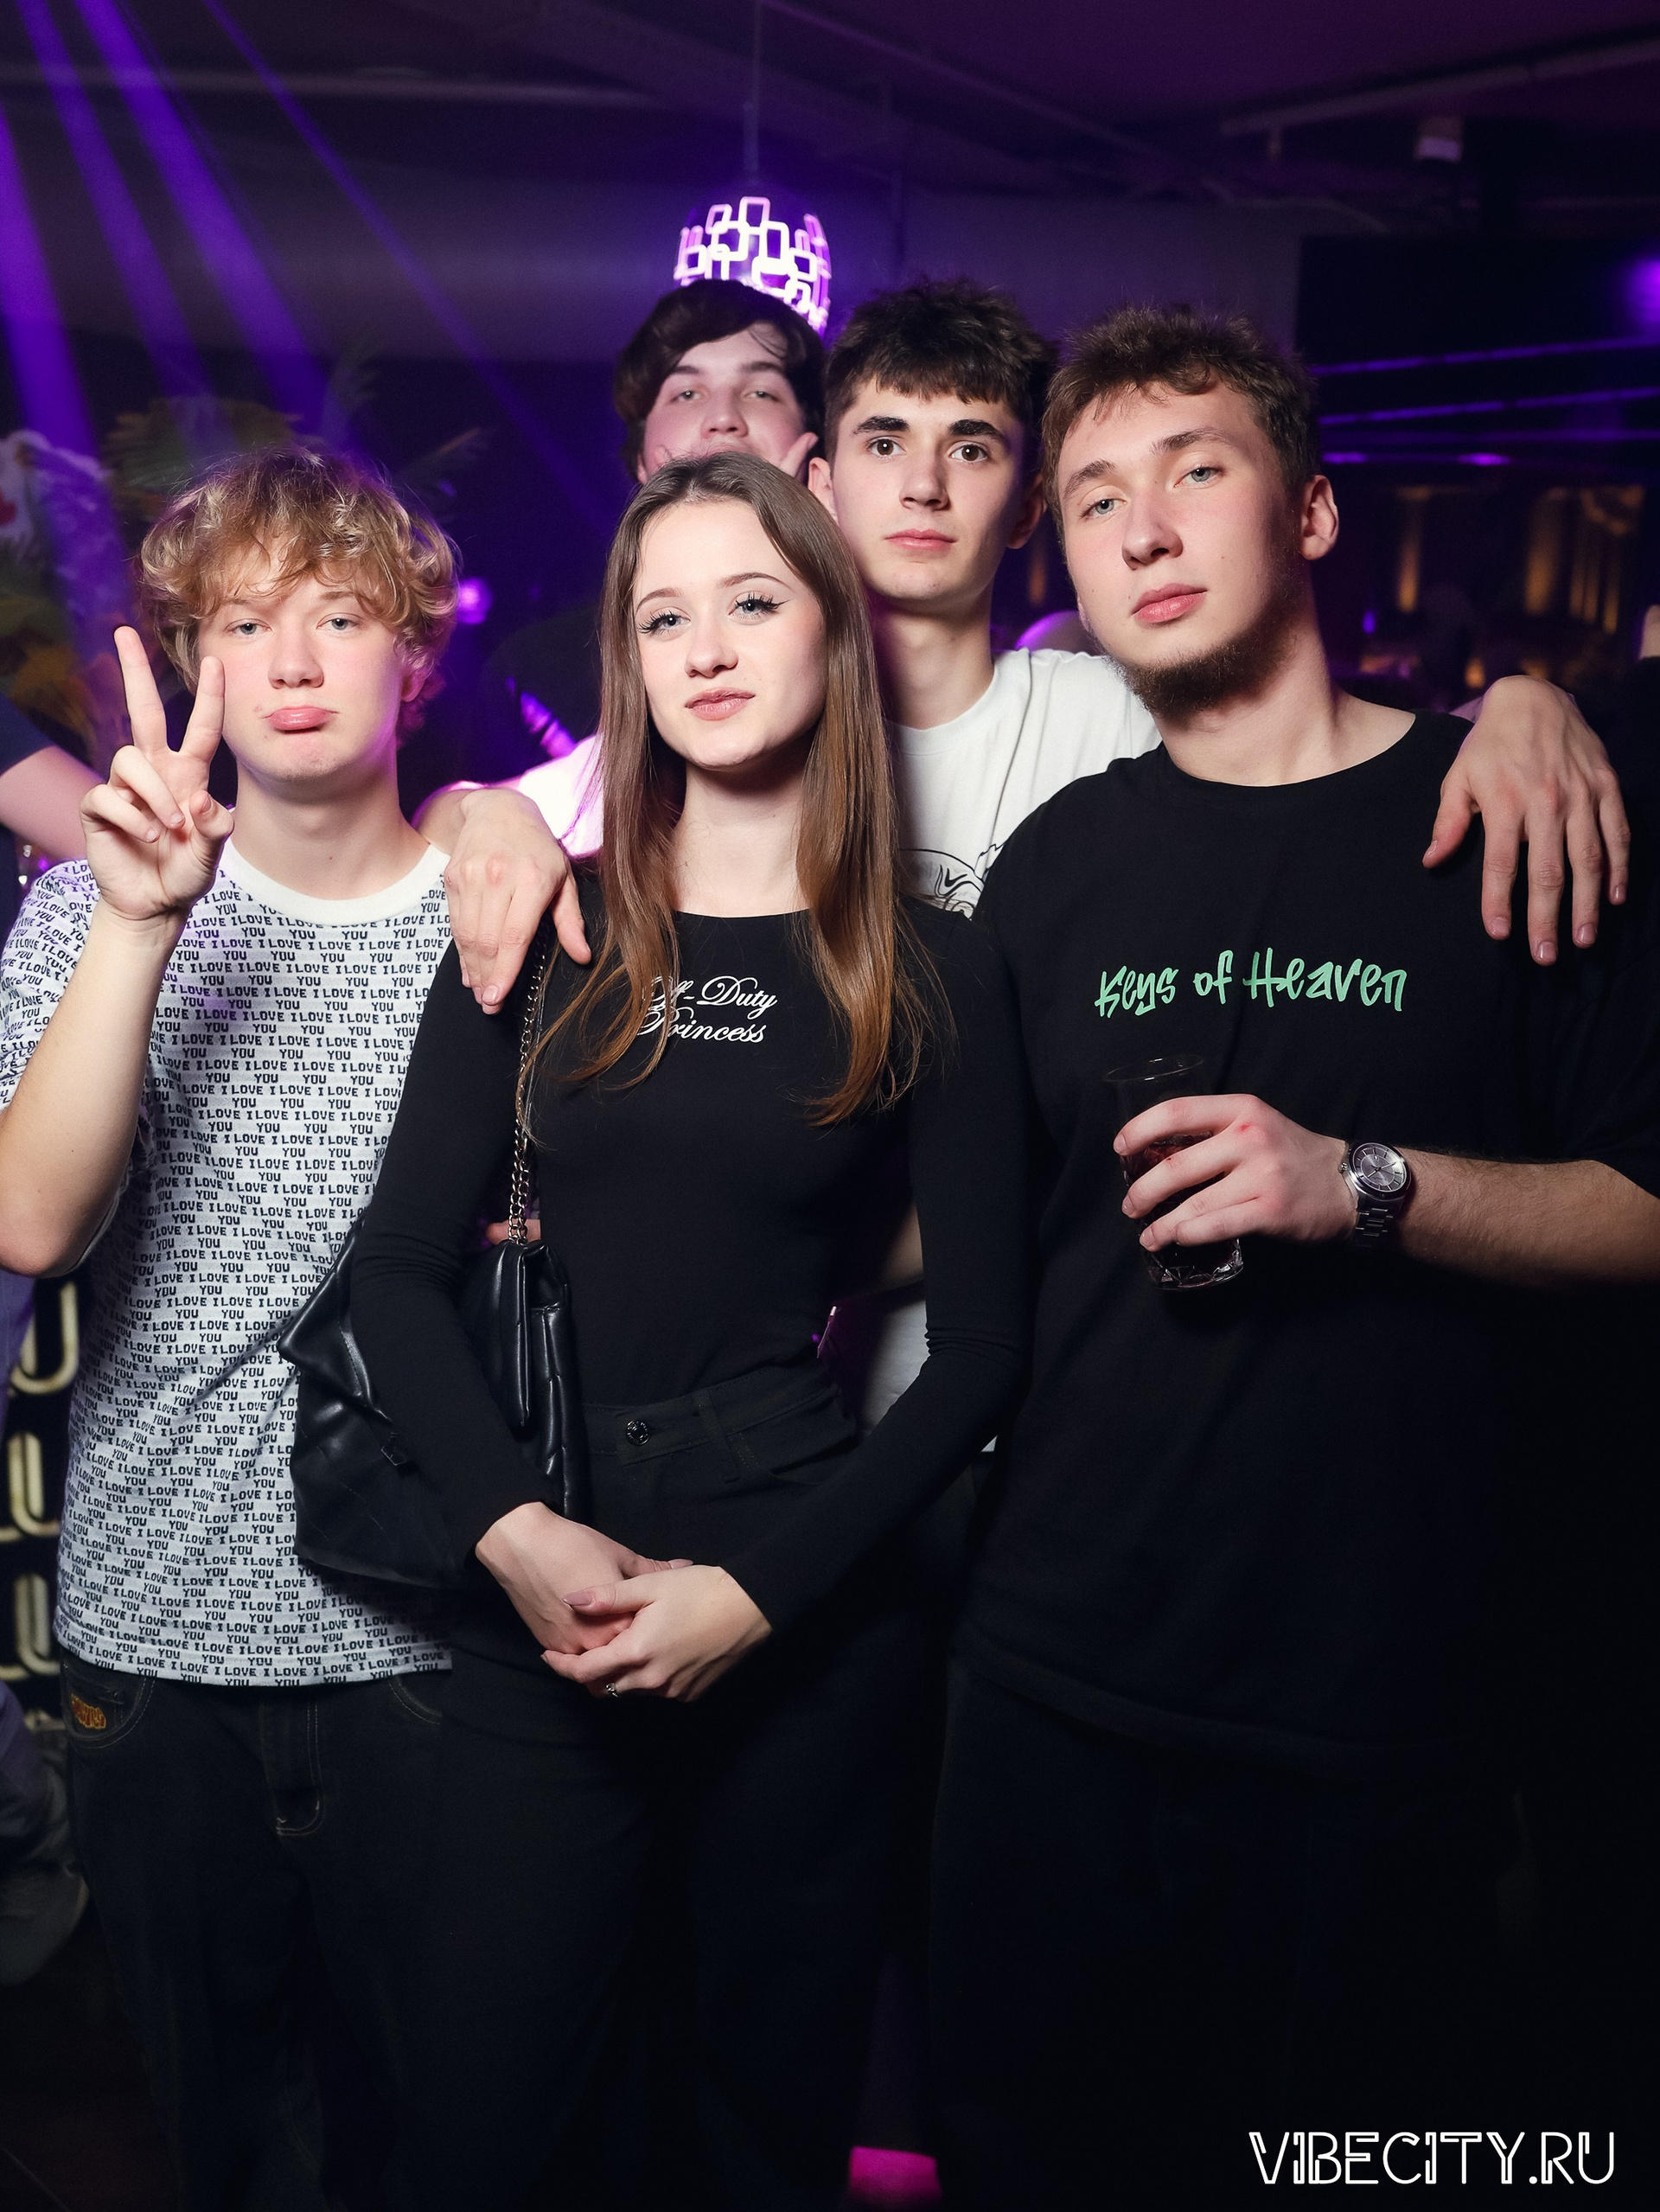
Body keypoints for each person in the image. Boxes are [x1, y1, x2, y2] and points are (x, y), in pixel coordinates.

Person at [929, 305, 1660, 2207]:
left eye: (1198, 472)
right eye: (1098, 496)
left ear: (1313, 513)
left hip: (1386, 1705)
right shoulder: (1055, 866)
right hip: (1055, 1677)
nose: (1146, 529)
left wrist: (1368, 1186)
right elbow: (970, 1231)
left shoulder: (1511, 812)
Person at [348, 451, 1027, 2212]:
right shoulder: (546, 920)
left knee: (753, 2137)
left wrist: (759, 1598)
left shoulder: (932, 964)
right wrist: (513, 1530)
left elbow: (984, 1352)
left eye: (751, 601)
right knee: (483, 2131)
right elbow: (394, 1273)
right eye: (663, 617)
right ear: (630, 664)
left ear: (830, 632)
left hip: (797, 1590)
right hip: (542, 1574)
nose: (706, 648)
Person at [0, 446, 556, 2209]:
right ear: (194, 660)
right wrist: (137, 925)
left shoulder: (506, 907)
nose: (292, 659)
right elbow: (29, 1222)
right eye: (242, 623)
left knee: (456, 2139)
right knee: (228, 2148)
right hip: (159, 1643)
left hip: (436, 1639)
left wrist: (499, 812)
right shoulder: (89, 905)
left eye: (340, 616)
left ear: (418, 657)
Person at [426, 277, 827, 865]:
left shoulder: (866, 632)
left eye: (762, 392)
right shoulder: (534, 668)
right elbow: (449, 840)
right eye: (686, 394)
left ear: (814, 446)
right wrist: (483, 813)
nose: (724, 419)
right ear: (641, 457)